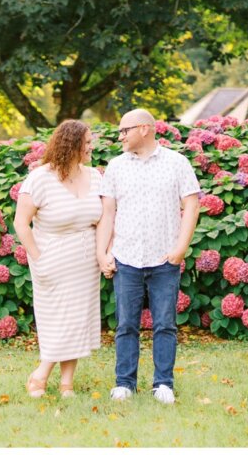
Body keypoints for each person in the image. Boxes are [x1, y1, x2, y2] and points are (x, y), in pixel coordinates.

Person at [96, 108, 201, 404]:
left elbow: (191, 206)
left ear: (144, 129)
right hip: (126, 258)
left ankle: (163, 383)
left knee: (165, 324)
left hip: (164, 258)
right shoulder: (116, 167)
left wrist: (180, 248)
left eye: (124, 130)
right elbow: (107, 213)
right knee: (126, 324)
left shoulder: (176, 163)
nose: (121, 136)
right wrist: (102, 252)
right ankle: (124, 383)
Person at [13, 119, 104, 398]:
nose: (91, 147)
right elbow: (21, 223)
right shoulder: (41, 178)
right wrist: (38, 259)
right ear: (71, 144)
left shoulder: (95, 176)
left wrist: (102, 253)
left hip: (86, 261)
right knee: (58, 319)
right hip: (51, 259)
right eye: (87, 142)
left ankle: (67, 384)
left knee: (77, 319)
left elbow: (103, 220)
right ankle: (41, 373)